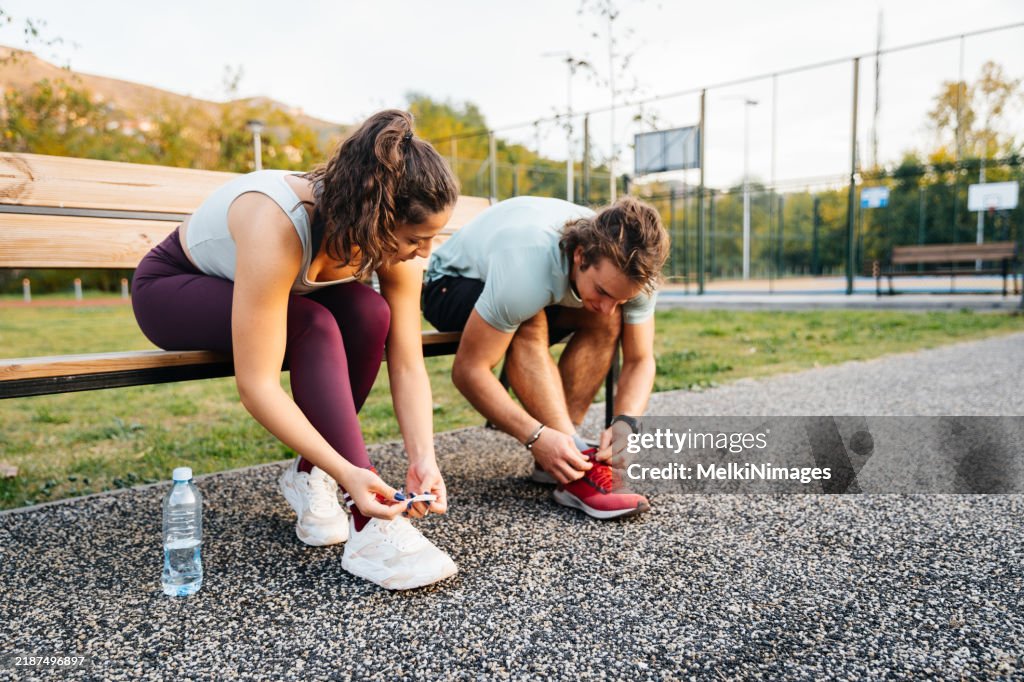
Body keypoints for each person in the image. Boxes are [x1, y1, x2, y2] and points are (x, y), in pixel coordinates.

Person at [132, 110, 459, 590]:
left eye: (434, 237)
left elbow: (406, 361)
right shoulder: (279, 220)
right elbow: (258, 384)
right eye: (415, 239)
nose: (425, 252)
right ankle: (372, 524)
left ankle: (311, 474)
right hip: (173, 290)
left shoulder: (396, 245)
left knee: (371, 313)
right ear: (373, 219)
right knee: (312, 321)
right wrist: (354, 474)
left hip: (276, 300)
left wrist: (423, 458)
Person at [421, 195, 669, 519]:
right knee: (529, 318)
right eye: (604, 292)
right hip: (448, 283)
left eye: (622, 298)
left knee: (606, 319)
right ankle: (570, 457)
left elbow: (640, 360)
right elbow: (469, 370)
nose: (611, 304)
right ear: (580, 255)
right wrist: (535, 436)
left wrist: (626, 424)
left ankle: (562, 458)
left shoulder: (635, 274)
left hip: (525, 282)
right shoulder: (527, 267)